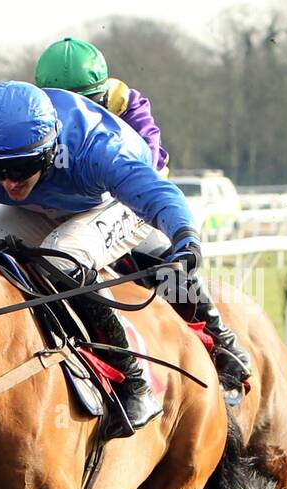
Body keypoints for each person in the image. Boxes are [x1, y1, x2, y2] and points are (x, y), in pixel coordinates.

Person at [0, 81, 202, 434]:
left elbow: (157, 194)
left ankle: (132, 381)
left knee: (63, 257)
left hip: (112, 202)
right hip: (38, 206)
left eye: (23, 166)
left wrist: (185, 238)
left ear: (49, 150)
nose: (10, 182)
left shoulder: (97, 148)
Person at [35, 38, 252, 393]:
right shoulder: (34, 114)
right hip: (67, 206)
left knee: (163, 258)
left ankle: (223, 342)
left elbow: (144, 169)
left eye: (87, 104)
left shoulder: (130, 106)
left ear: (103, 96)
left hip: (129, 202)